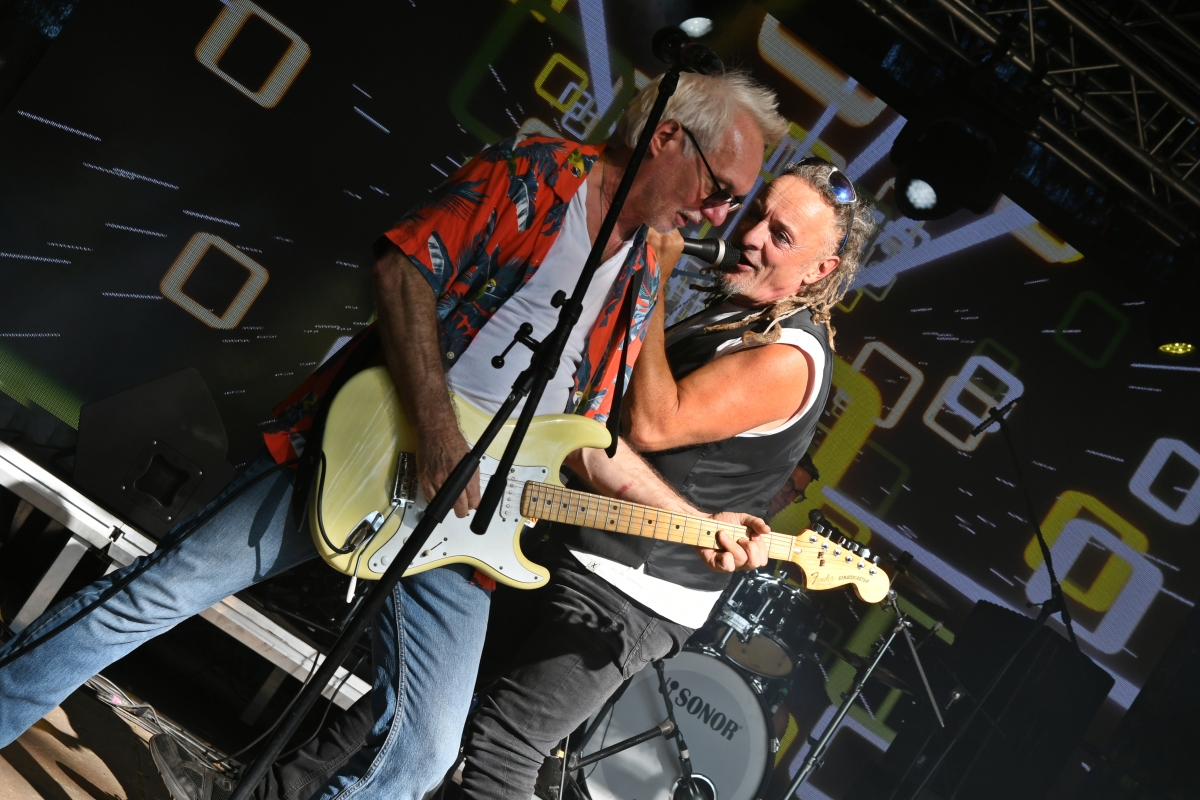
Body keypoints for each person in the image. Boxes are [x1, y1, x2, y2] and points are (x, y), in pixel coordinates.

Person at [0, 69, 786, 800]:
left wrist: (695, 525)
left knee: (426, 750)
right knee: (154, 596)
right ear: (665, 138)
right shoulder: (535, 176)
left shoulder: (644, 274)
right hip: (365, 448)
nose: (720, 216)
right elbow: (403, 269)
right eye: (720, 190)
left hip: (464, 524)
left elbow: (584, 437)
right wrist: (437, 432)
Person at [456, 156, 875, 798]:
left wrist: (653, 277)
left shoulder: (791, 356)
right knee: (415, 702)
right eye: (758, 215)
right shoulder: (738, 314)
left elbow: (653, 424)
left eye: (780, 235)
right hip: (575, 539)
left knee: (501, 751)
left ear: (820, 271)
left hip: (628, 589)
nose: (750, 236)